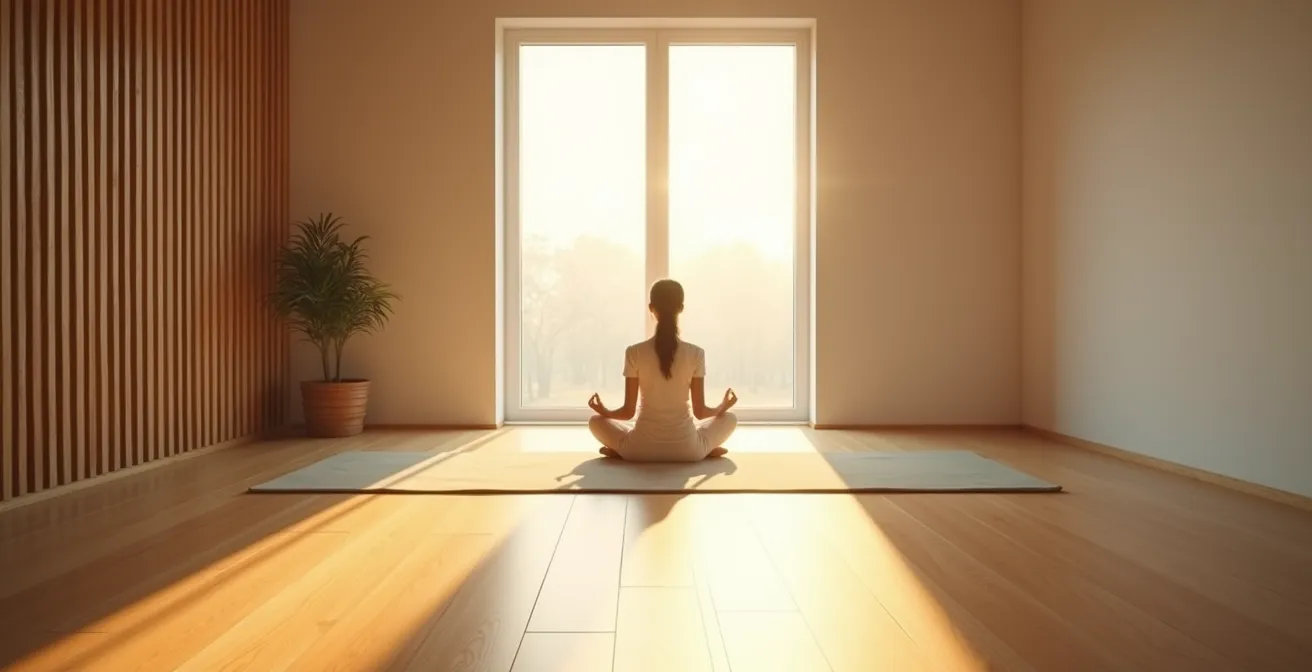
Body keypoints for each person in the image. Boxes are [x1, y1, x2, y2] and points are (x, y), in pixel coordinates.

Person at [586, 279, 739, 462]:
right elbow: (700, 412)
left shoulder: (634, 352)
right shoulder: (696, 353)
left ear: (651, 308)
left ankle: (622, 450)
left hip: (639, 450)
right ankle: (705, 448)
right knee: (730, 418)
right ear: (681, 308)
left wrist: (604, 411)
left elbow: (627, 412)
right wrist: (723, 406)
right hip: (689, 451)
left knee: (595, 421)